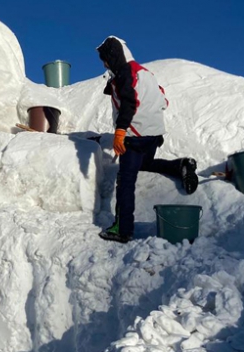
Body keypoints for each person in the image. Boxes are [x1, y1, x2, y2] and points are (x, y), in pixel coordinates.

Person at [96, 36, 199, 243]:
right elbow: (163, 100)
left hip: (134, 136)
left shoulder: (126, 73)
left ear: (114, 56)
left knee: (125, 182)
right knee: (144, 163)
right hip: (153, 136)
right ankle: (180, 166)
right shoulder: (145, 73)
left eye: (106, 59)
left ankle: (122, 229)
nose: (105, 64)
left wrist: (120, 131)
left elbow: (129, 103)